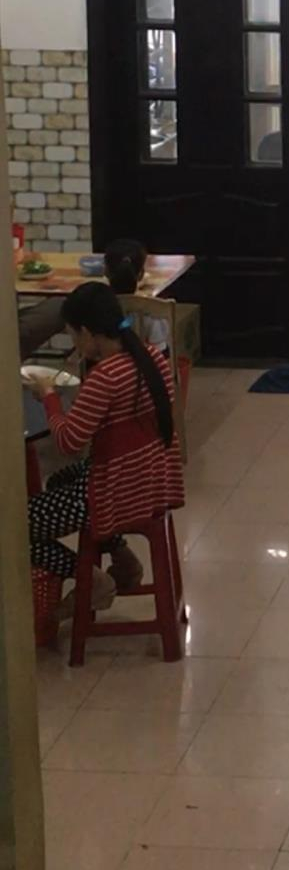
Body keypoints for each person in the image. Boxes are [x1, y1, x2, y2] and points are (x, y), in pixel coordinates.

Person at [24, 283, 184, 615]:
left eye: (73, 335)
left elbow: (68, 443)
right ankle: (122, 557)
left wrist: (50, 398)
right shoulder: (151, 356)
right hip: (154, 479)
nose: (75, 344)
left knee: (12, 527)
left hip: (117, 493)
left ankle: (91, 580)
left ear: (86, 331)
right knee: (59, 481)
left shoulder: (106, 376)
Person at [103, 237, 169, 349]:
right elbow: (160, 351)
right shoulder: (152, 313)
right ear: (141, 274)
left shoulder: (95, 309)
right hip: (143, 360)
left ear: (105, 271)